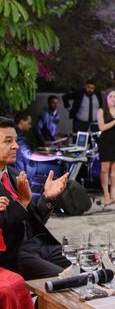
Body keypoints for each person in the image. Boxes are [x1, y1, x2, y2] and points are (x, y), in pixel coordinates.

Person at [0, 117, 70, 279]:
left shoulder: (15, 175)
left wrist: (47, 198)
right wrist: (22, 202)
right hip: (13, 253)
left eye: (16, 140)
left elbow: (33, 219)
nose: (16, 146)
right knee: (63, 281)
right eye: (8, 141)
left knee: (91, 263)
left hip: (39, 244)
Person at [96, 88, 115, 205]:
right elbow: (102, 127)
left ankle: (113, 193)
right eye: (111, 97)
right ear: (106, 98)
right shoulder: (101, 111)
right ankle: (106, 193)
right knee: (105, 169)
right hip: (106, 141)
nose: (113, 99)